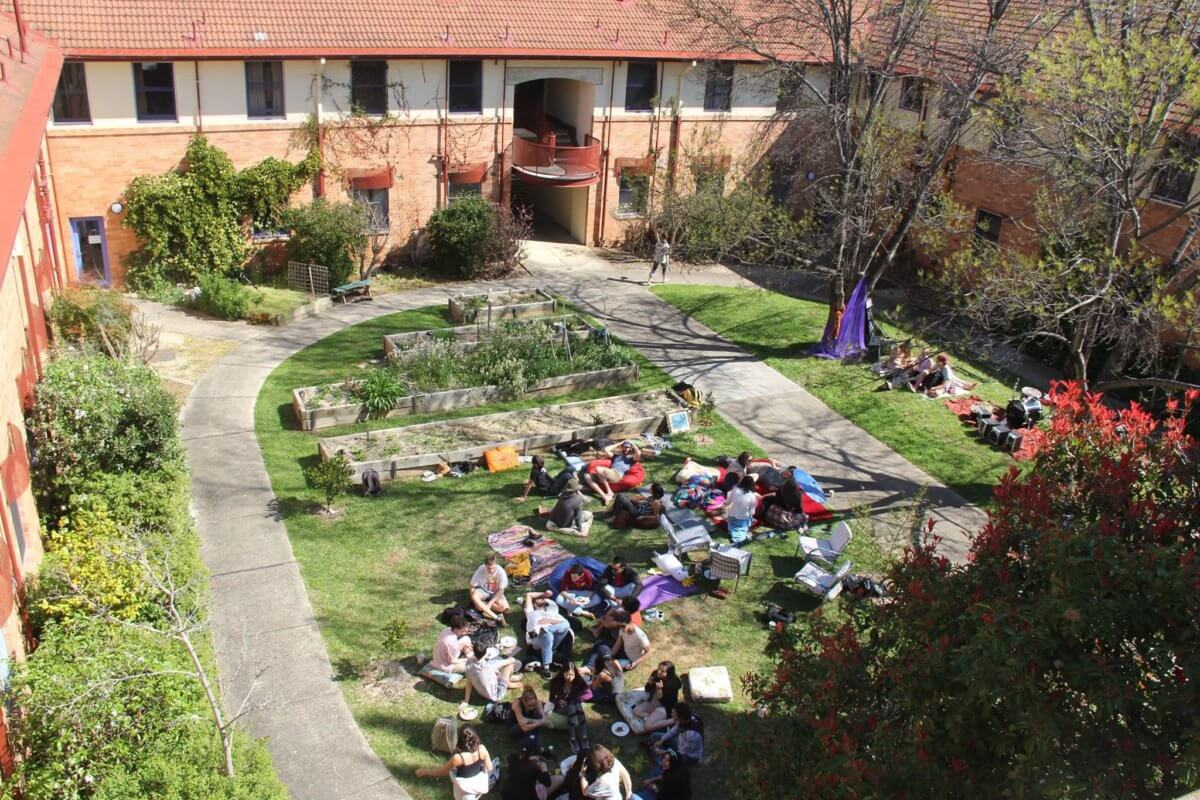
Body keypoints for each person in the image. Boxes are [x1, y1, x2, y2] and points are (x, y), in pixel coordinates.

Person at [415, 726, 498, 800]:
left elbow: (440, 772)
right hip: (477, 786)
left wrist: (424, 771)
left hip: (463, 789)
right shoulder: (481, 749)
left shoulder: (458, 758)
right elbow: (489, 767)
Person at [524, 591, 573, 678]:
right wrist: (544, 594)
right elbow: (529, 595)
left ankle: (544, 630)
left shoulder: (552, 611)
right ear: (534, 602)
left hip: (552, 638)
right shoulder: (531, 612)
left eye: (543, 599)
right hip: (538, 640)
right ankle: (546, 667)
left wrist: (549, 621)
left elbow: (563, 622)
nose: (542, 599)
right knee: (547, 634)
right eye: (539, 599)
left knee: (566, 624)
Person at [549, 662, 592, 754]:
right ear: (562, 673)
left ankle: (583, 737)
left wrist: (578, 698)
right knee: (572, 707)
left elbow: (589, 694)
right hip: (561, 707)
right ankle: (573, 739)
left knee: (575, 706)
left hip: (574, 704)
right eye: (567, 675)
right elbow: (551, 699)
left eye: (572, 675)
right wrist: (558, 701)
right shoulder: (556, 682)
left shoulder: (578, 681)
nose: (570, 678)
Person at [464, 640, 522, 704]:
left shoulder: (468, 664)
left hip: (481, 693)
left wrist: (466, 701)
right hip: (497, 694)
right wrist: (510, 657)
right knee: (509, 665)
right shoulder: (491, 664)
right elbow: (512, 660)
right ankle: (508, 683)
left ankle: (507, 678)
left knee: (492, 671)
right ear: (486, 652)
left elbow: (469, 683)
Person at [583, 441, 641, 505]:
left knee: (598, 468)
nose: (626, 449)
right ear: (622, 447)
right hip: (608, 474)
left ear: (630, 448)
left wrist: (633, 443)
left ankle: (609, 491)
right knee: (586, 475)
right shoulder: (616, 456)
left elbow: (638, 453)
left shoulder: (631, 459)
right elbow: (606, 449)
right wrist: (620, 443)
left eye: (628, 447)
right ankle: (603, 495)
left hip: (617, 475)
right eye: (625, 447)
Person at [632, 661, 681, 733]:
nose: (658, 672)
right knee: (635, 711)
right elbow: (647, 689)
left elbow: (667, 703)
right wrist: (649, 684)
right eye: (658, 669)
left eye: (662, 671)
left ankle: (672, 721)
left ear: (669, 674)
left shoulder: (673, 684)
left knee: (647, 727)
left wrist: (659, 690)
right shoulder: (655, 674)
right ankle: (652, 718)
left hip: (664, 708)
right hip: (653, 703)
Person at [470, 554, 510, 624]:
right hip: (483, 591)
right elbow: (472, 586)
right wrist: (474, 601)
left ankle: (482, 605)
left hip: (496, 593)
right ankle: (497, 617)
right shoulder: (481, 569)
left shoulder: (501, 572)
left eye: (493, 568)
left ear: (496, 564)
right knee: (474, 595)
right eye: (489, 568)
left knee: (504, 608)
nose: (491, 570)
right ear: (485, 565)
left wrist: (489, 604)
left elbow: (501, 591)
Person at [509, 685, 550, 754]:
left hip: (528, 723)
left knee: (538, 716)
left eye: (534, 705)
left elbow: (544, 718)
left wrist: (532, 721)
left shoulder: (536, 701)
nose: (532, 707)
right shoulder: (517, 704)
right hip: (515, 727)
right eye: (529, 705)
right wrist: (540, 722)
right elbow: (523, 727)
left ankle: (535, 743)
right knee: (530, 728)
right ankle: (533, 744)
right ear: (523, 701)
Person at [432, 609, 473, 674]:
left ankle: (469, 655)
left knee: (466, 638)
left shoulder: (447, 629)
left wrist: (461, 645)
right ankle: (469, 657)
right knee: (472, 666)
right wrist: (465, 660)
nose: (466, 630)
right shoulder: (451, 643)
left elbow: (450, 647)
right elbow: (452, 661)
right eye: (464, 630)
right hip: (444, 666)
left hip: (444, 655)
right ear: (456, 629)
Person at [723, 474, 758, 545]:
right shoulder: (752, 496)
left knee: (734, 527)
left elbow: (727, 503)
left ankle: (733, 532)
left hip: (731, 517)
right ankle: (739, 535)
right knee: (748, 520)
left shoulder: (735, 489)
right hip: (742, 519)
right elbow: (752, 513)